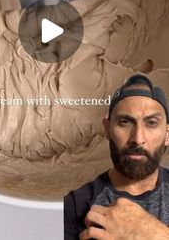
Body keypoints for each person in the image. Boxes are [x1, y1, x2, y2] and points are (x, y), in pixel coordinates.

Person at [64, 74, 169, 240]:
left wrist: (154, 234)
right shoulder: (74, 206)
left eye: (151, 123)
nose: (137, 139)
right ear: (107, 129)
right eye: (125, 122)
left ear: (167, 134)